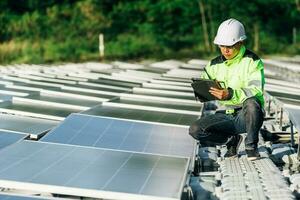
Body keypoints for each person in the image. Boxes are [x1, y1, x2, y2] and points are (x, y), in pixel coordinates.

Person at [189, 18, 265, 160]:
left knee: (252, 103)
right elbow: (204, 85)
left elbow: (256, 90)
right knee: (195, 130)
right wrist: (201, 92)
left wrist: (229, 94)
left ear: (240, 42)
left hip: (247, 115)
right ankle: (231, 141)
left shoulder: (252, 61)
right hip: (226, 114)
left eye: (229, 46)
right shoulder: (213, 65)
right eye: (222, 46)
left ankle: (251, 147)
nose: (225, 50)